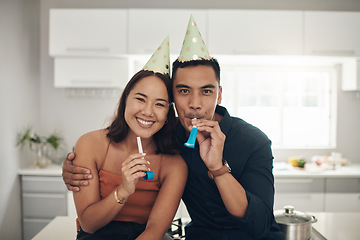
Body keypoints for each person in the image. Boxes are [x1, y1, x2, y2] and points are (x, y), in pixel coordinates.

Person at [63, 16, 284, 240]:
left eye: (206, 91)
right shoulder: (169, 136)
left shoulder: (253, 141)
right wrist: (71, 169)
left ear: (219, 95)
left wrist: (217, 168)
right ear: (173, 100)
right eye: (184, 91)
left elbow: (261, 224)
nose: (195, 103)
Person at [70, 36, 188, 240]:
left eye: (159, 104)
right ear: (125, 100)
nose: (148, 112)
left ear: (168, 114)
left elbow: (155, 230)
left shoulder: (175, 165)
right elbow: (89, 225)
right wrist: (123, 190)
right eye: (140, 99)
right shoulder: (90, 144)